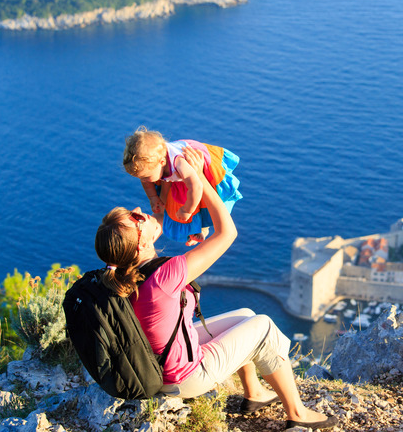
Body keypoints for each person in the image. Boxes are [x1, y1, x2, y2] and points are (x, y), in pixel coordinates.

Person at [96, 147, 336, 430]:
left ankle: (255, 393)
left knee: (246, 315)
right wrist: (200, 180)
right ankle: (298, 414)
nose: (139, 210)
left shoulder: (123, 273)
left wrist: (163, 194)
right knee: (264, 326)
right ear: (141, 245)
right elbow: (228, 233)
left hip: (157, 364)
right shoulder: (165, 274)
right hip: (184, 376)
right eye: (135, 218)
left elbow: (157, 219)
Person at [122, 127, 242, 246]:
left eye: (146, 177)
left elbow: (197, 187)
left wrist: (187, 210)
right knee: (173, 202)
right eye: (140, 178)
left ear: (162, 163)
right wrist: (153, 197)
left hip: (198, 169)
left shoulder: (179, 163)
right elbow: (146, 183)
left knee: (197, 200)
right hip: (179, 177)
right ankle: (196, 227)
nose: (143, 181)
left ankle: (204, 228)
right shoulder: (152, 166)